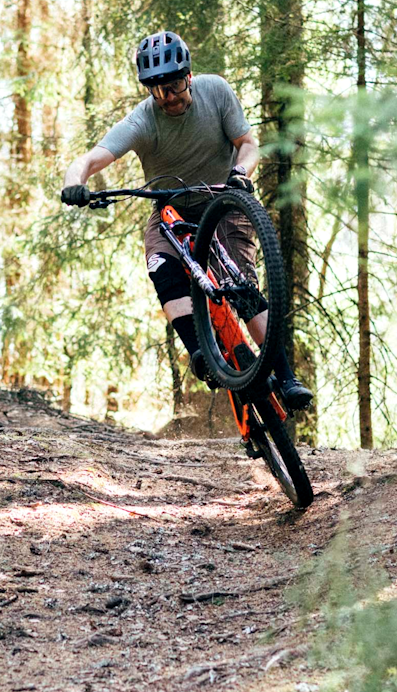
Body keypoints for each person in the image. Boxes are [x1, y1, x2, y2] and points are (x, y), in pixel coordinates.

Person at [60, 30, 313, 412]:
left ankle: (287, 377)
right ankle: (199, 353)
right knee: (161, 265)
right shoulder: (144, 120)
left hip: (224, 202)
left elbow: (248, 144)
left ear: (189, 76)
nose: (170, 96)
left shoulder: (216, 92)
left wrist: (242, 172)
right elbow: (91, 159)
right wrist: (74, 183)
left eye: (175, 84)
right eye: (158, 90)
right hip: (171, 212)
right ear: (149, 91)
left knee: (240, 285)